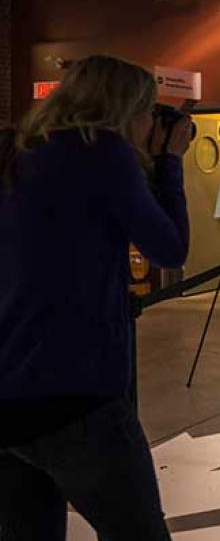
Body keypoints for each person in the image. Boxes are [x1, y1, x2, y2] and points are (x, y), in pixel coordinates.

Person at [0, 55, 192, 541]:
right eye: (149, 111)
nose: (151, 122)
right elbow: (169, 248)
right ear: (127, 110)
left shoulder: (17, 151)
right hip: (77, 393)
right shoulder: (102, 152)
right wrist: (169, 161)